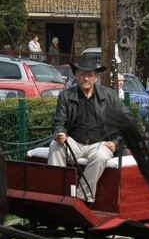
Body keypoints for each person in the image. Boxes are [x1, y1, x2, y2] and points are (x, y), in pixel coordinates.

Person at [47, 58, 131, 204]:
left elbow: (128, 120)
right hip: (75, 143)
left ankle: (82, 199)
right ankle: (57, 195)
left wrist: (116, 143)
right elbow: (58, 123)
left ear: (96, 77)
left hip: (100, 144)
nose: (86, 78)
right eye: (82, 74)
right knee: (55, 146)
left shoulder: (109, 96)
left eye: (90, 75)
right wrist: (60, 133)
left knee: (100, 155)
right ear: (76, 76)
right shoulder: (65, 96)